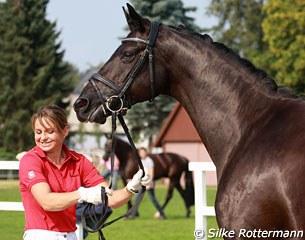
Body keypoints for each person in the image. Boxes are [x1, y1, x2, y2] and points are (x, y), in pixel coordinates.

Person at [19, 104, 150, 240]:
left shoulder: (79, 161)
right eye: (38, 132)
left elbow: (110, 199)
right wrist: (82, 194)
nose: (43, 137)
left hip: (70, 236)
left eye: (49, 131)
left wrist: (131, 189)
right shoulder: (30, 160)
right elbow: (47, 201)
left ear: (65, 131)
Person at [129, 147, 166, 220]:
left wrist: (149, 183)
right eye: (141, 153)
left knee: (153, 200)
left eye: (143, 152)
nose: (142, 154)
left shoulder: (149, 161)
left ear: (146, 153)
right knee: (136, 199)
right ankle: (133, 214)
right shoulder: (140, 161)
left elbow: (151, 173)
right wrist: (132, 180)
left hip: (148, 183)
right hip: (141, 183)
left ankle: (162, 214)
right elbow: (140, 173)